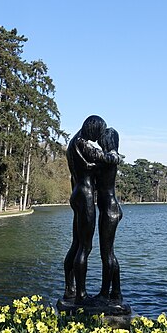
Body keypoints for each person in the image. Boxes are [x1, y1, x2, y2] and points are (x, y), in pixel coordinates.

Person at [63, 115, 121, 304]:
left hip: (79, 194)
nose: (98, 140)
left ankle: (71, 289)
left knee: (78, 245)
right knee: (85, 247)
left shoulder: (73, 144)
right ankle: (81, 295)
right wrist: (114, 156)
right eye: (98, 134)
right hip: (86, 196)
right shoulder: (82, 144)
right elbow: (104, 158)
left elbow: (95, 162)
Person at [95, 127, 123, 303]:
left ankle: (105, 293)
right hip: (109, 209)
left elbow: (112, 159)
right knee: (109, 253)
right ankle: (116, 292)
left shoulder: (111, 156)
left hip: (109, 211)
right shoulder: (109, 156)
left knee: (106, 254)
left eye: (102, 138)